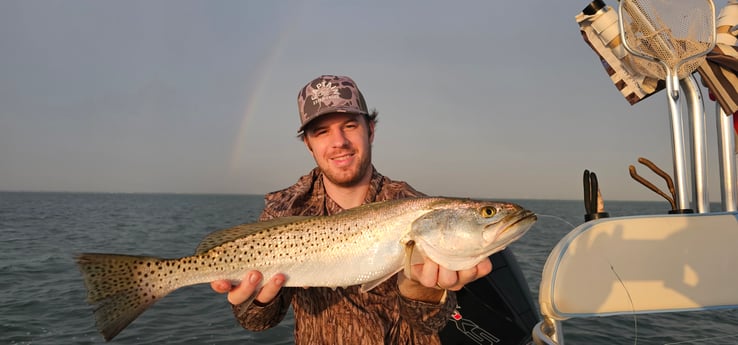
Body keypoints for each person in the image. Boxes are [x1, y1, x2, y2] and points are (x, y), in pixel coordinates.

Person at [211, 75, 494, 344]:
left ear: (370, 130)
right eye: (321, 132)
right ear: (308, 144)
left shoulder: (414, 206)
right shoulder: (285, 211)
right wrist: (258, 300)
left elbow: (431, 324)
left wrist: (420, 288)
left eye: (349, 125)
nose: (339, 142)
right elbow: (256, 322)